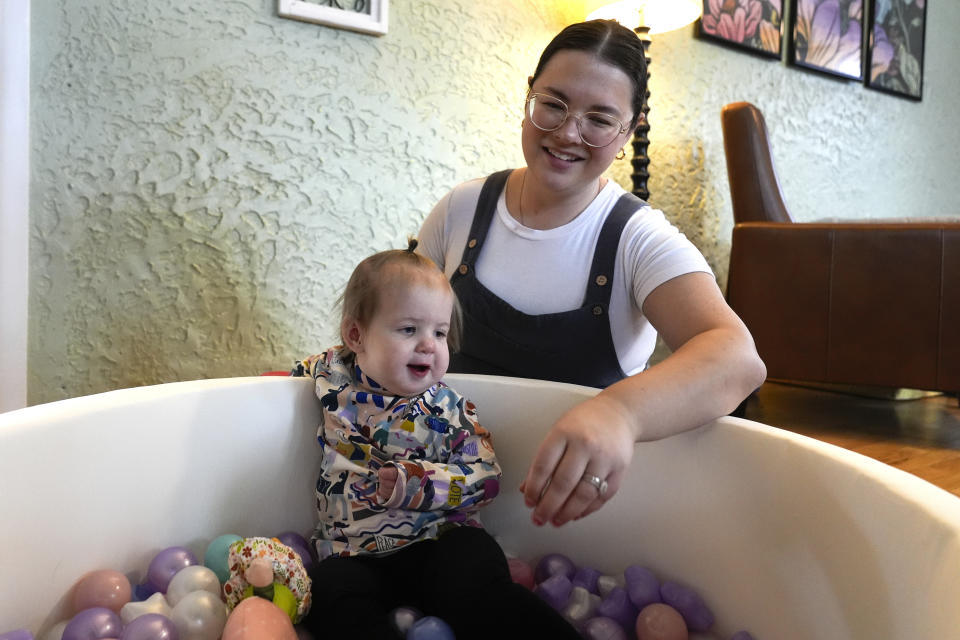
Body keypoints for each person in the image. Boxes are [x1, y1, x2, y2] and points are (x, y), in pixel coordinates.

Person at [417, 20, 767, 529]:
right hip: (436, 497)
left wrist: (619, 414)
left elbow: (737, 358)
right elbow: (395, 327)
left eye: (600, 119)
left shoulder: (639, 238)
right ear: (528, 98)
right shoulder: (460, 210)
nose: (566, 133)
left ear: (630, 129)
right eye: (552, 104)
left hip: (574, 521)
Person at [294, 240, 581, 639]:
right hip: (353, 553)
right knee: (330, 592)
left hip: (439, 543)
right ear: (356, 336)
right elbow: (291, 377)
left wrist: (420, 483)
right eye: (409, 329)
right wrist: (268, 384)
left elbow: (487, 479)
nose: (429, 344)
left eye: (440, 332)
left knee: (476, 580)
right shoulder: (330, 374)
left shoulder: (450, 410)